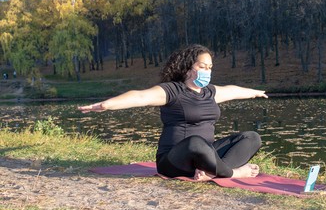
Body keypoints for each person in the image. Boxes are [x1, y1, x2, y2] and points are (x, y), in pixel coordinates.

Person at [78, 44, 268, 181]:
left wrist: (255, 92)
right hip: (174, 160)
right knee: (196, 142)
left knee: (252, 137)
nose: (207, 71)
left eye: (210, 67)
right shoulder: (172, 91)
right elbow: (140, 97)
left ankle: (210, 172)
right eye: (202, 67)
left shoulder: (209, 92)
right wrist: (106, 104)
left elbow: (232, 91)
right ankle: (233, 173)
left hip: (205, 155)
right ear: (187, 68)